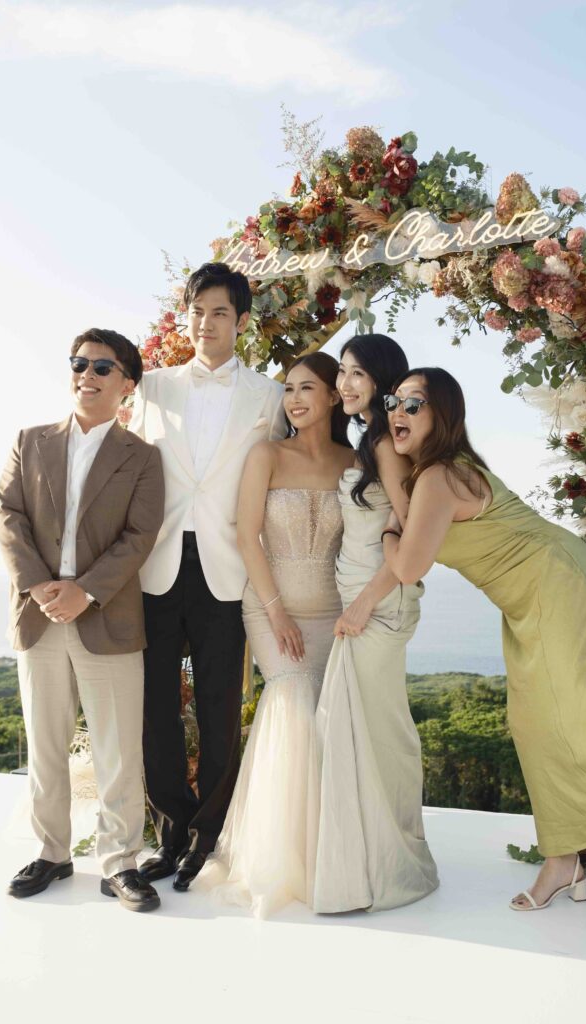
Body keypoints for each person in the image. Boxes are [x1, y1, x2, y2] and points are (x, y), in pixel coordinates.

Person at [382, 366, 586, 911]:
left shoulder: (438, 476)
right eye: (392, 403)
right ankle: (567, 862)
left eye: (413, 404)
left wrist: (385, 532)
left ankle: (562, 862)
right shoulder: (440, 472)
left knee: (564, 718)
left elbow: (406, 567)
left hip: (555, 585)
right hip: (537, 594)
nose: (398, 413)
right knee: (535, 720)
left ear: (443, 413)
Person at [0, 328, 165, 912]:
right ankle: (51, 853)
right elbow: (8, 515)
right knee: (46, 745)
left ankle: (120, 862)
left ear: (127, 384)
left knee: (118, 750)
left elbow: (140, 536)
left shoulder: (143, 458)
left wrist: (85, 592)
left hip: (107, 619)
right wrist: (43, 587)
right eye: (79, 363)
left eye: (101, 367)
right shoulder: (30, 440)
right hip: (39, 615)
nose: (86, 374)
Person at [131, 262, 285, 891]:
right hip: (156, 564)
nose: (205, 323)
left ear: (241, 321)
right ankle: (168, 830)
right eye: (196, 311)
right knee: (155, 708)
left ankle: (208, 836)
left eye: (219, 312)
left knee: (222, 708)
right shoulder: (152, 388)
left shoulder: (271, 397)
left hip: (228, 566)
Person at [191, 352, 354, 916]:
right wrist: (277, 611)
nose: (294, 399)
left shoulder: (353, 461)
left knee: (327, 726)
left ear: (336, 395)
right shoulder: (267, 454)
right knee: (291, 706)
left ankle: (329, 855)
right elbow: (246, 536)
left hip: (332, 616)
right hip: (269, 610)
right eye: (288, 389)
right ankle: (277, 862)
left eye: (307, 388)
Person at [313, 335, 439, 914]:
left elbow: (413, 532)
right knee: (360, 730)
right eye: (341, 372)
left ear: (382, 381)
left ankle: (395, 866)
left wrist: (365, 602)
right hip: (361, 598)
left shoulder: (387, 444)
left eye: (357, 373)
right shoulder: (369, 438)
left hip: (378, 603)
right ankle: (367, 856)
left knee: (383, 733)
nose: (344, 383)